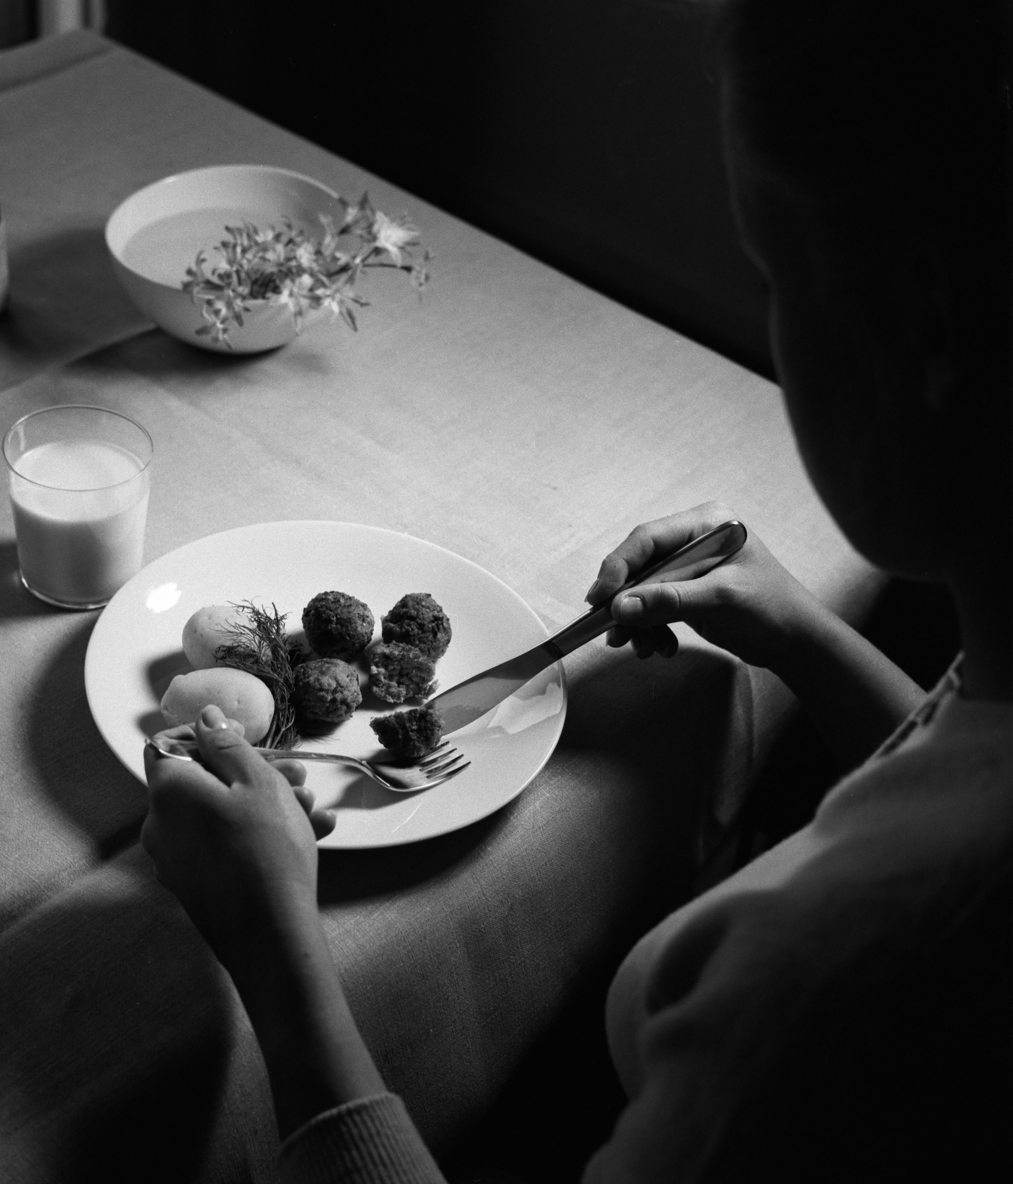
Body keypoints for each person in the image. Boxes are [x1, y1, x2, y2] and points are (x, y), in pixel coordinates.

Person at [140, 0, 1011, 1178]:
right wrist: (807, 637)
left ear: (931, 325)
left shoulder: (818, 1004)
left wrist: (278, 959)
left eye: (770, 276)